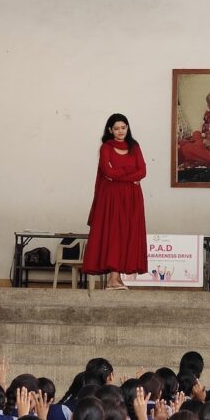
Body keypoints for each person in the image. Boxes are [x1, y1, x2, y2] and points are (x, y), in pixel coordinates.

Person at [82, 113, 147, 291]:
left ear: (127, 128)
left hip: (132, 199)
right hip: (111, 198)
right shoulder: (106, 148)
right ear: (110, 130)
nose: (120, 131)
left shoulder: (135, 146)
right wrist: (129, 175)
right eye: (117, 128)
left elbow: (142, 171)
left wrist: (119, 173)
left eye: (123, 128)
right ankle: (113, 279)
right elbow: (107, 172)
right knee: (114, 234)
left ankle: (116, 279)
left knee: (127, 234)